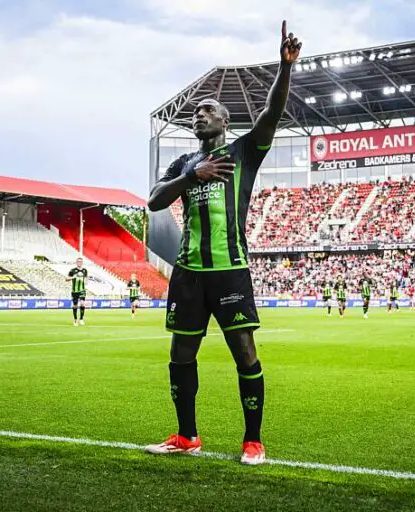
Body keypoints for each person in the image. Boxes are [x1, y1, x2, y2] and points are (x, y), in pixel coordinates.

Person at [144, 21, 301, 465]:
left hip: (230, 270)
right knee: (181, 353)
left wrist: (285, 68)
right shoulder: (184, 163)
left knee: (245, 352)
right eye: (195, 112)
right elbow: (154, 200)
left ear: (224, 121)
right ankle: (186, 436)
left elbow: (272, 112)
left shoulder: (244, 151)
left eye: (207, 110)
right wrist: (192, 175)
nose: (199, 115)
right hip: (189, 273)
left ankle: (253, 441)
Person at [66, 257, 88, 326]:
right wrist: (73, 277)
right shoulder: (72, 270)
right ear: (76, 262)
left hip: (82, 290)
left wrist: (86, 281)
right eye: (78, 261)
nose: (79, 263)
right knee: (75, 305)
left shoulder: (85, 270)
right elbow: (66, 279)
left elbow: (86, 278)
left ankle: (81, 319)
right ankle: (75, 320)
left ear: (82, 263)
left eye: (80, 261)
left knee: (82, 303)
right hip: (74, 291)